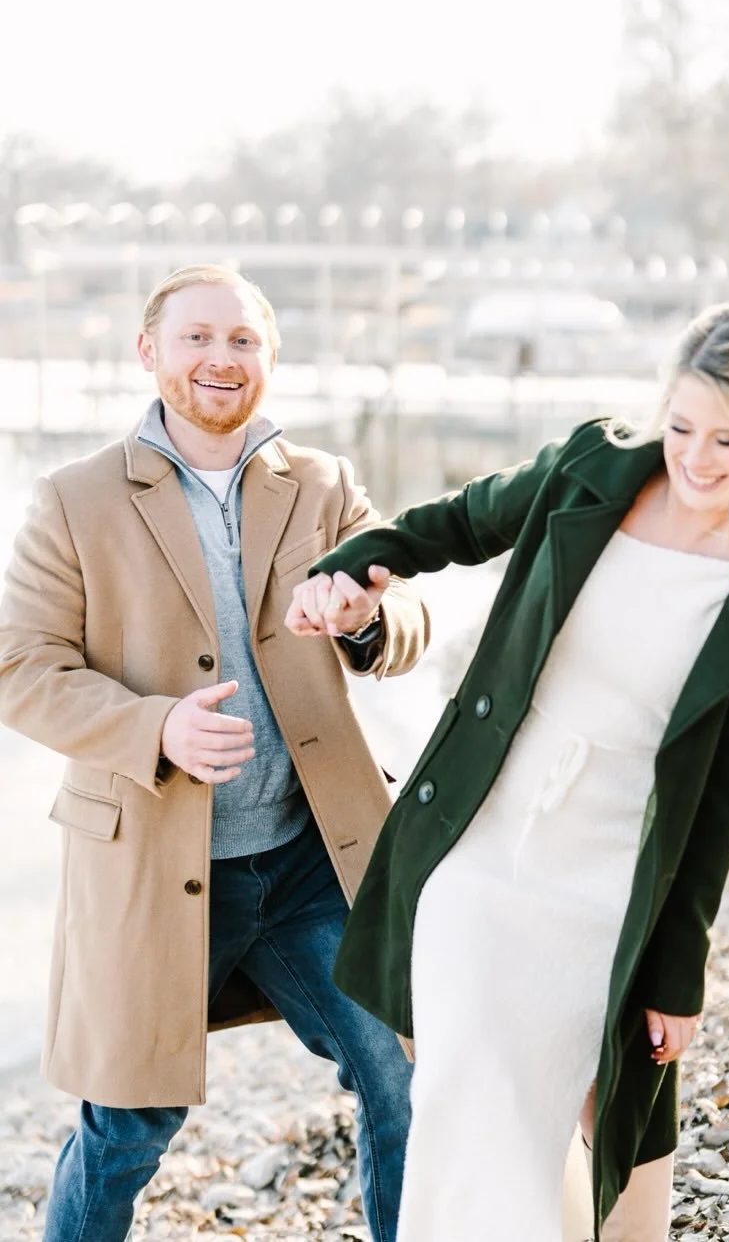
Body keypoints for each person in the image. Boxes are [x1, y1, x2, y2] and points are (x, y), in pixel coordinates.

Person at [285, 303, 729, 1242]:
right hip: (486, 831)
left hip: (619, 872)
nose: (695, 460)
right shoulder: (595, 468)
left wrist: (679, 969)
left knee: (603, 1111)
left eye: (726, 440)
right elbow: (461, 522)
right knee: (465, 1088)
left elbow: (725, 796)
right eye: (679, 428)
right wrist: (356, 564)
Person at [0, 264, 429, 1242]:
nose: (221, 360)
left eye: (242, 340)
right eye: (196, 338)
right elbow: (19, 666)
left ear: (269, 358)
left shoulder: (320, 482)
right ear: (149, 353)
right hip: (155, 867)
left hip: (313, 861)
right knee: (126, 1126)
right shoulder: (75, 499)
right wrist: (155, 728)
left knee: (401, 1074)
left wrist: (368, 613)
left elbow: (406, 611)